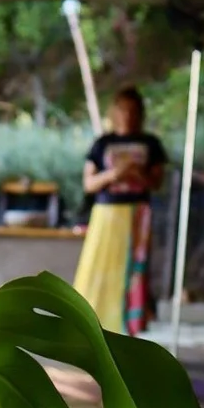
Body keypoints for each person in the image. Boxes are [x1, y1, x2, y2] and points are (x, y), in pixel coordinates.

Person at [73, 87, 166, 335]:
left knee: (133, 271)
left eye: (133, 111)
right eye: (123, 110)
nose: (128, 115)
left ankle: (129, 325)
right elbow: (89, 183)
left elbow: (157, 182)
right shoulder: (103, 144)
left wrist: (136, 173)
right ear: (115, 112)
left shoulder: (151, 144)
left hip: (137, 213)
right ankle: (91, 323)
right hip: (107, 213)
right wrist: (115, 173)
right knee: (99, 267)